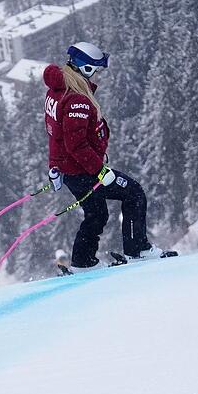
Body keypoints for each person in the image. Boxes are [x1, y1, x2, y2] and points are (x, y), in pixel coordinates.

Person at [43, 42, 164, 272]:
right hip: (84, 170)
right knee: (134, 193)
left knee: (96, 214)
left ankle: (83, 262)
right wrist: (100, 171)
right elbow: (76, 144)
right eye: (96, 70)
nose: (97, 75)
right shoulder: (77, 99)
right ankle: (137, 249)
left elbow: (55, 135)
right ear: (85, 69)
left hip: (71, 170)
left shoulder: (57, 91)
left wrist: (54, 167)